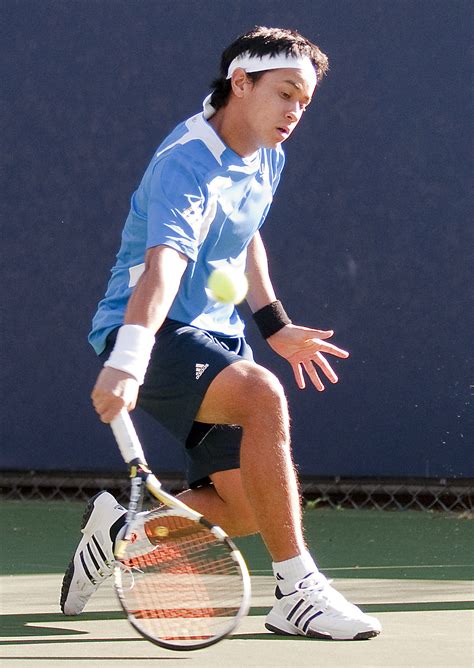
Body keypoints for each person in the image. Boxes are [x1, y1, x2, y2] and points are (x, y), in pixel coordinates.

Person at [60, 26, 381, 641]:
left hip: (215, 334)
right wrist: (128, 359)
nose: (294, 112)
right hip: (151, 333)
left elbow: (247, 232)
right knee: (263, 395)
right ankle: (298, 592)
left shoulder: (266, 154)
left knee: (242, 509)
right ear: (241, 82)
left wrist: (275, 326)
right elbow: (166, 264)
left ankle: (124, 528)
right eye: (285, 93)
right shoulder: (186, 164)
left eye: (304, 103)